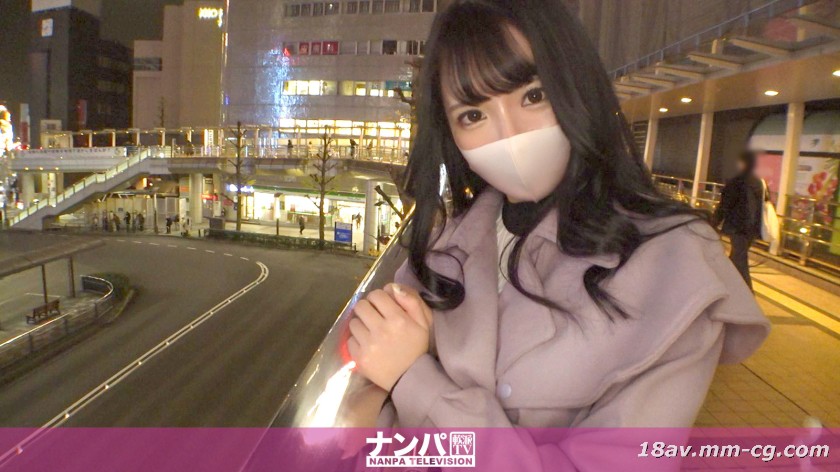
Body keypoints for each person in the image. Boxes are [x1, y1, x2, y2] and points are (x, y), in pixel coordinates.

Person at [345, 1, 770, 466]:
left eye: (533, 95)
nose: (509, 135)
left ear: (577, 87)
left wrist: (413, 380)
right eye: (473, 115)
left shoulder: (674, 265)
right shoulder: (447, 244)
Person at [712, 151, 765, 289]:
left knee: (740, 260)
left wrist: (713, 222)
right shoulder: (759, 182)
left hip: (738, 227)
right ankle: (725, 284)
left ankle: (747, 292)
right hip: (752, 228)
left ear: (742, 163)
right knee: (736, 257)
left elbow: (725, 205)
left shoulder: (737, 181)